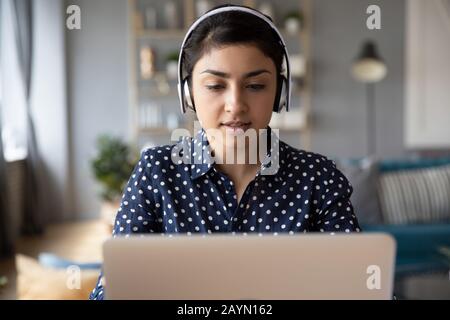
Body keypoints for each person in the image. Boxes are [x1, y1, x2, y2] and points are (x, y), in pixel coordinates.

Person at [89, 4, 360, 300]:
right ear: (188, 93)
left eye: (255, 85)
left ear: (280, 93)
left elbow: (359, 288)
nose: (235, 105)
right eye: (215, 86)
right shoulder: (156, 173)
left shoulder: (317, 178)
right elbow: (112, 291)